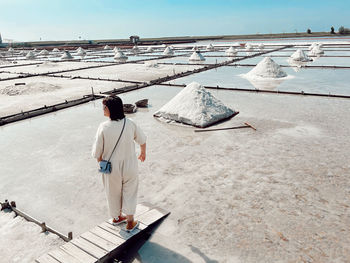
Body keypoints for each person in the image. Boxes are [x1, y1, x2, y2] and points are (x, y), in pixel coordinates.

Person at [92, 95, 146, 232]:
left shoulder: (103, 127)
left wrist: (101, 163)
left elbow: (97, 152)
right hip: (130, 164)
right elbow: (142, 139)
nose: (103, 109)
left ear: (110, 109)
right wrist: (143, 153)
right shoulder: (130, 123)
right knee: (130, 191)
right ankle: (130, 222)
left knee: (113, 192)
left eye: (104, 107)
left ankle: (116, 218)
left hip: (111, 167)